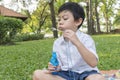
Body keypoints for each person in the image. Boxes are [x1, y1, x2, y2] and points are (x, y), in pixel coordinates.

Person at [33, 2, 105, 80]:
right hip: (65, 74)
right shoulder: (57, 43)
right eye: (59, 19)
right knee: (37, 74)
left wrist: (77, 42)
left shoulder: (86, 39)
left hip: (86, 74)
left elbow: (93, 63)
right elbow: (59, 67)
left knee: (97, 78)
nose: (60, 22)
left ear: (78, 21)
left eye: (65, 18)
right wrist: (55, 67)